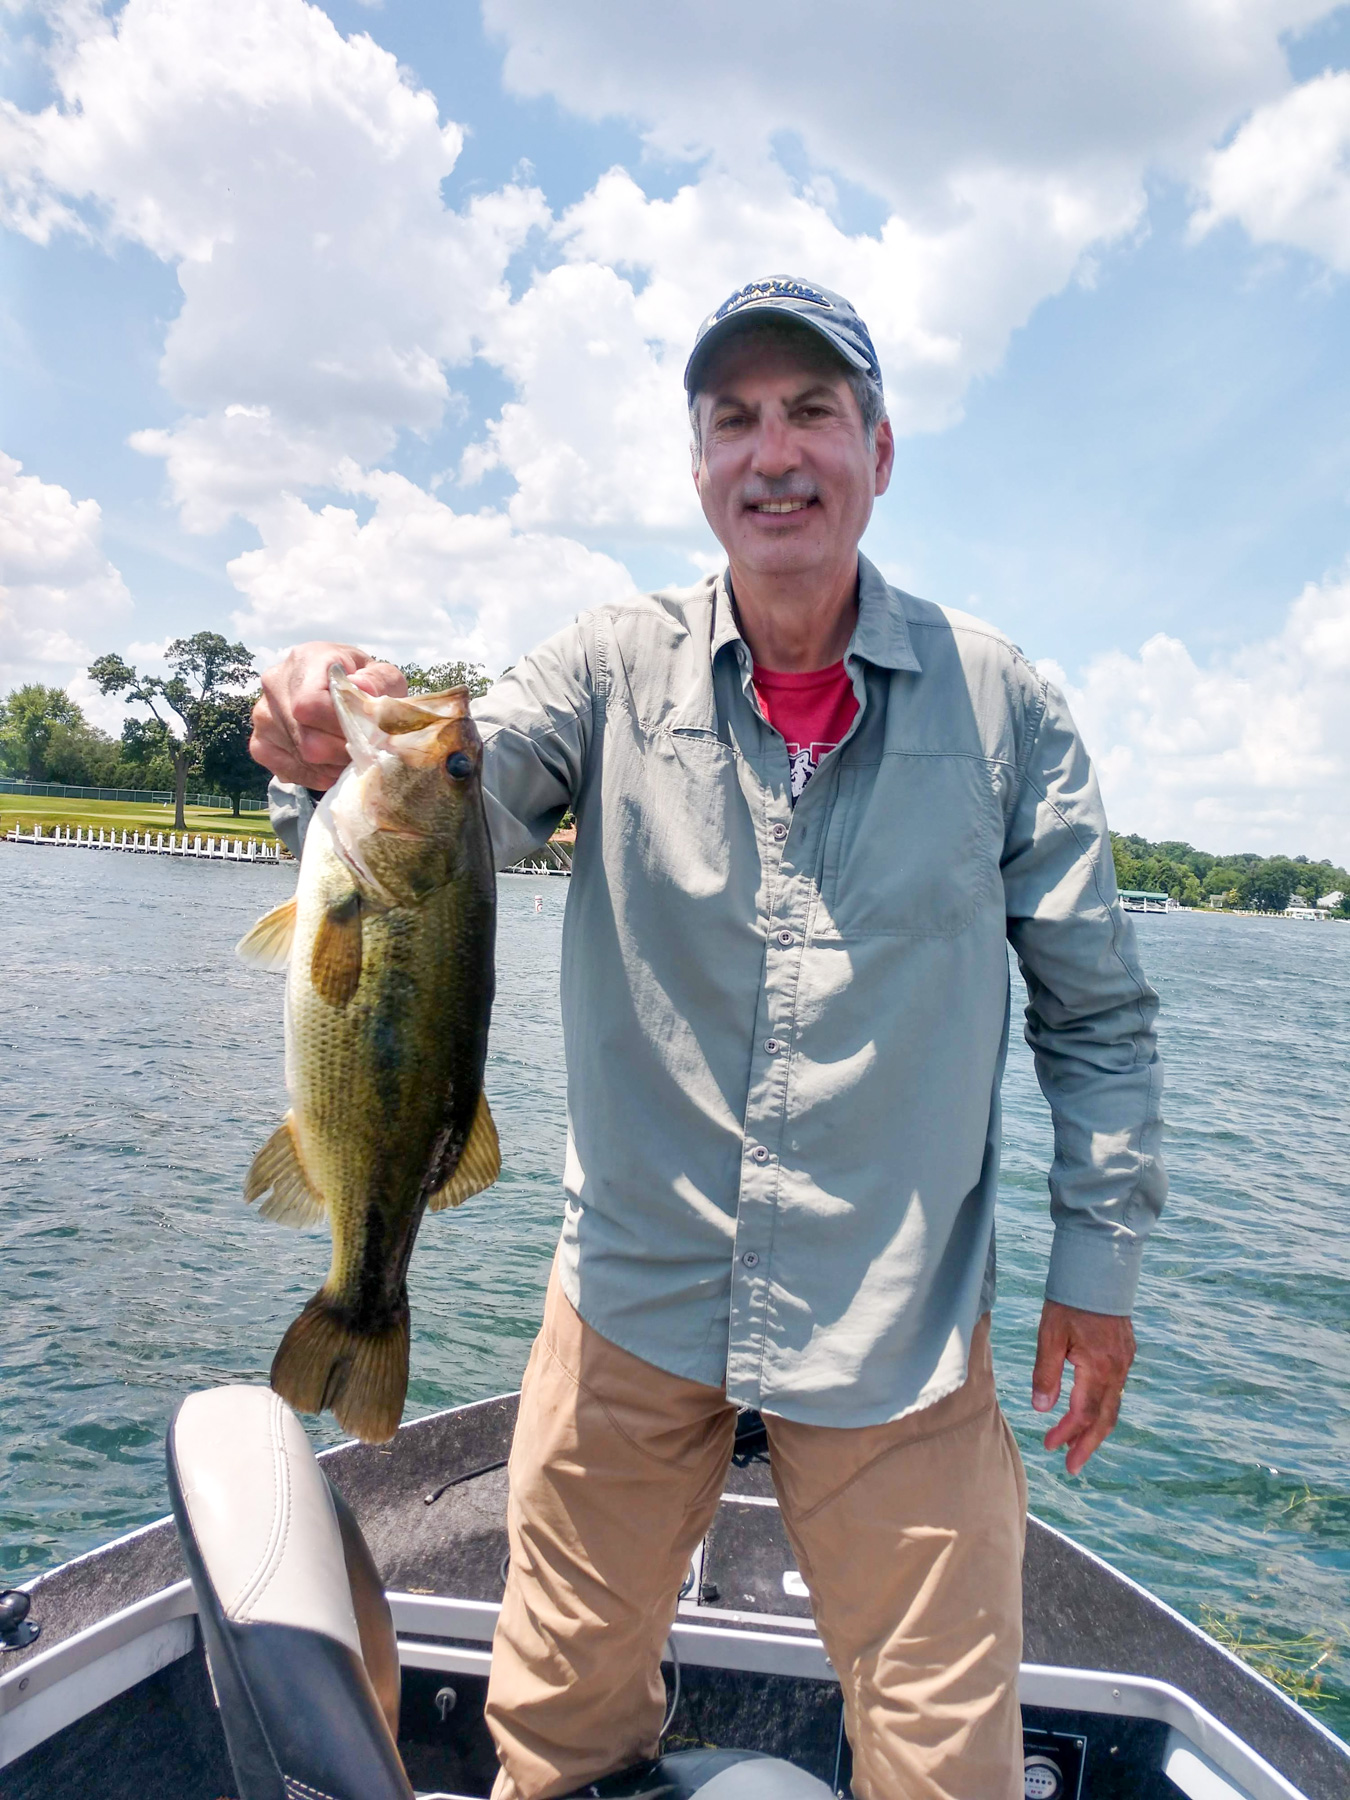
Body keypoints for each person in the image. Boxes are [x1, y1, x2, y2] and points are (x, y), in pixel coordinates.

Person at [251, 275, 1165, 1800]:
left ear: (879, 449)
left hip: (897, 1323)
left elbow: (1098, 1016)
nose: (774, 451)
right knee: (552, 1723)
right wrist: (332, 714)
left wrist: (1097, 1276)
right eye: (733, 418)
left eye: (812, 411)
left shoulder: (1008, 706)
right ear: (696, 468)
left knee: (950, 1758)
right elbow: (457, 796)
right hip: (628, 1290)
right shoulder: (604, 667)